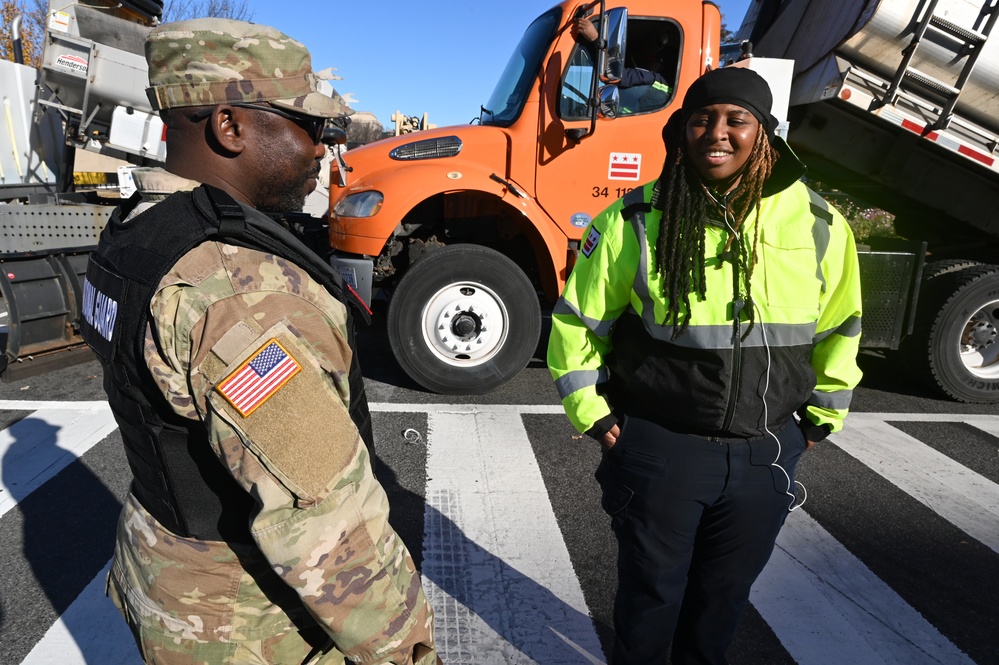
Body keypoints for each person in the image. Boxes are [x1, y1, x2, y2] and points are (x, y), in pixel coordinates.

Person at [80, 18, 440, 664]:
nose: (324, 150)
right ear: (230, 127)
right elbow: (326, 523)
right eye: (311, 127)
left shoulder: (133, 232)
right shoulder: (239, 292)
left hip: (168, 583)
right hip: (249, 625)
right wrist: (409, 650)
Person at [548, 67, 862, 664]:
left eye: (736, 120)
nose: (716, 132)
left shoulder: (818, 225)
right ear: (681, 132)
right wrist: (595, 415)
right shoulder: (635, 220)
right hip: (660, 450)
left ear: (764, 135)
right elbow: (576, 323)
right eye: (701, 119)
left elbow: (842, 325)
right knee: (649, 602)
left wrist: (822, 417)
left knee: (722, 603)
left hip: (764, 454)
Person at [571, 16, 672, 113]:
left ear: (662, 65)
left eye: (656, 62)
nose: (652, 64)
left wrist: (596, 39)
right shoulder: (662, 90)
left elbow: (616, 75)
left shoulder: (653, 80)